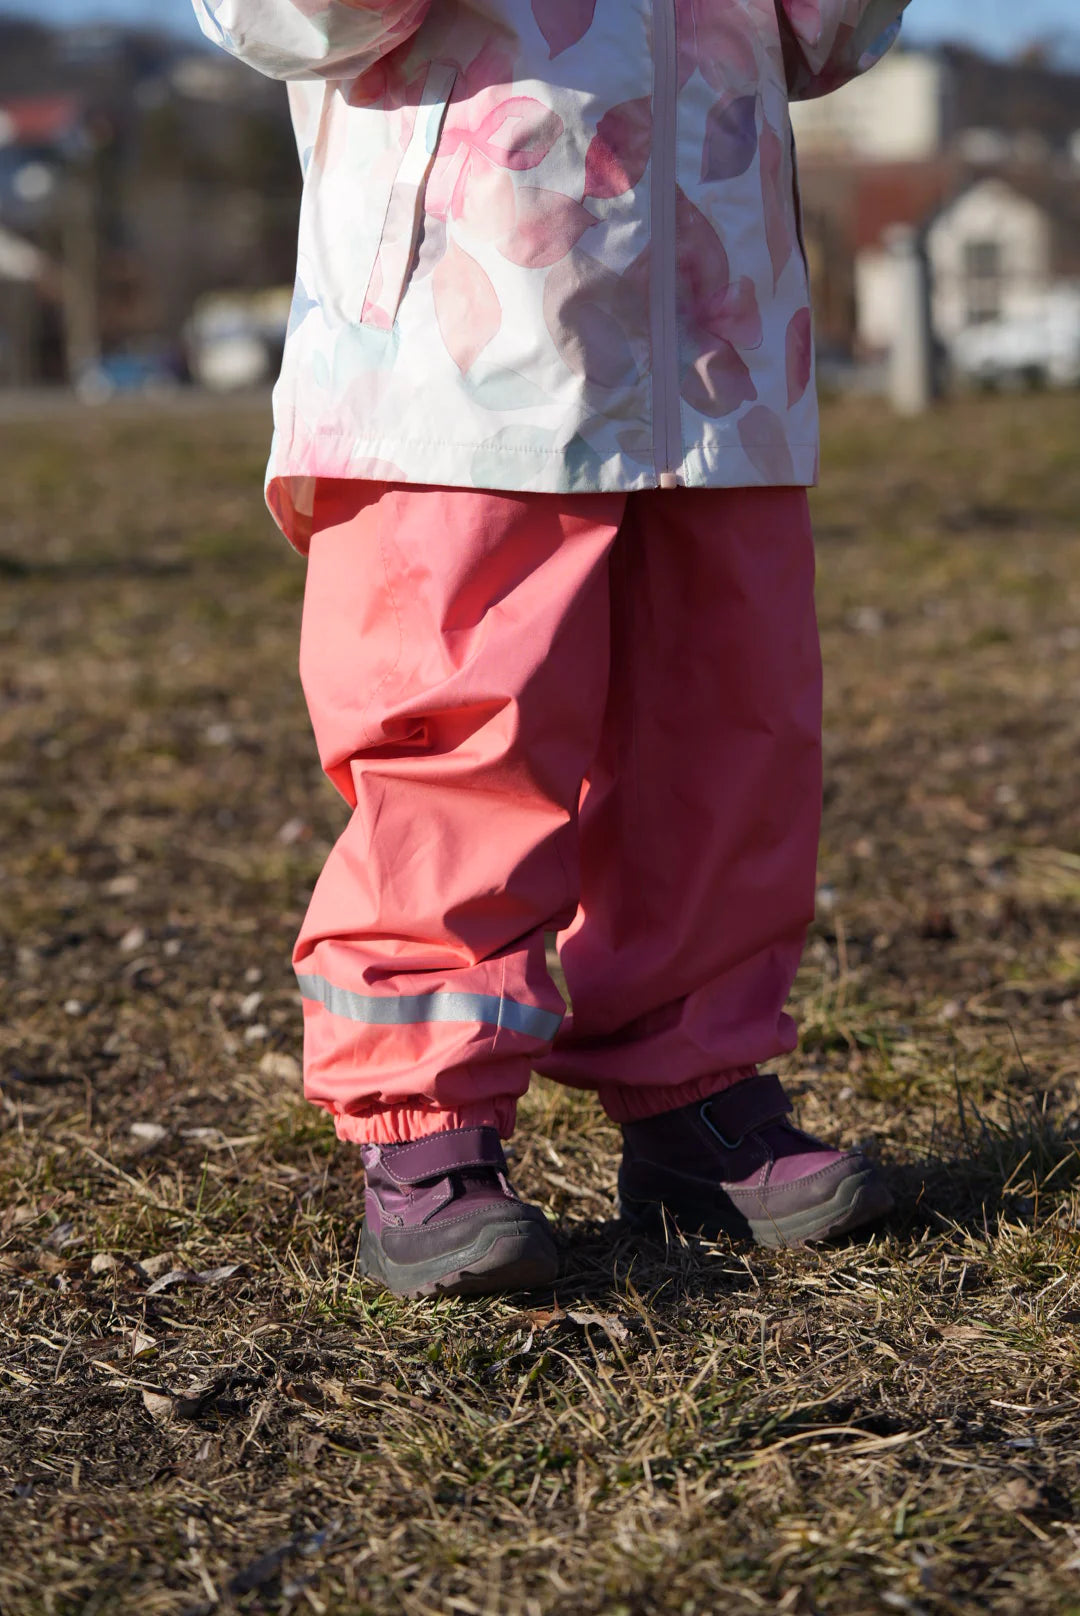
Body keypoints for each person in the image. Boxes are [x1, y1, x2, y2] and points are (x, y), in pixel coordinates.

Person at [193, 0, 907, 1297]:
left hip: (717, 345)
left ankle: (695, 1087)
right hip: (456, 347)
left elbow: (828, 42)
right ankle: (424, 1123)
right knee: (457, 733)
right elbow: (275, 18)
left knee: (727, 736)